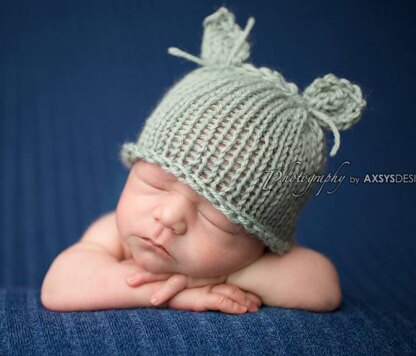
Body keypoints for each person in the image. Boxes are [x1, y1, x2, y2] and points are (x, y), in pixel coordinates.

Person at [41, 6, 366, 314]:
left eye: (215, 218)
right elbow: (59, 286)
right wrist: (174, 293)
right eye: (153, 183)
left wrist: (224, 276)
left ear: (262, 241)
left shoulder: (251, 261)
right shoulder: (112, 232)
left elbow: (323, 288)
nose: (169, 216)